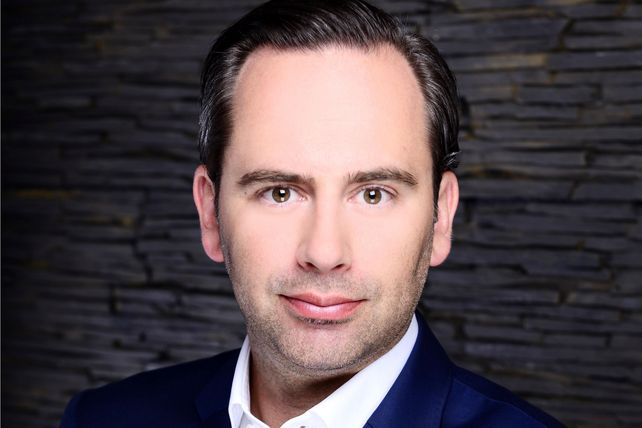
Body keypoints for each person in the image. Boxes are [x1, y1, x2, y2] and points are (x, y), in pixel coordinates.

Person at [60, 1, 565, 427]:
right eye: (280, 193)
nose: (324, 253)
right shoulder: (100, 419)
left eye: (374, 194)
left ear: (441, 218)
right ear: (210, 213)